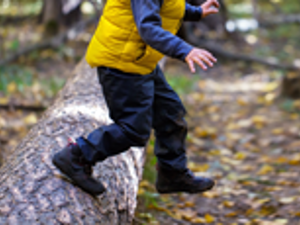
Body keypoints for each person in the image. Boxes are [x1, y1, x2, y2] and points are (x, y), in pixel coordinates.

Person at [53, 0, 220, 196]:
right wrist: (186, 50)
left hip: (140, 60)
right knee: (133, 128)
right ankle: (76, 155)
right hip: (121, 63)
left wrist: (196, 12)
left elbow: (168, 4)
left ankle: (172, 173)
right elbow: (148, 28)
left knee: (170, 112)